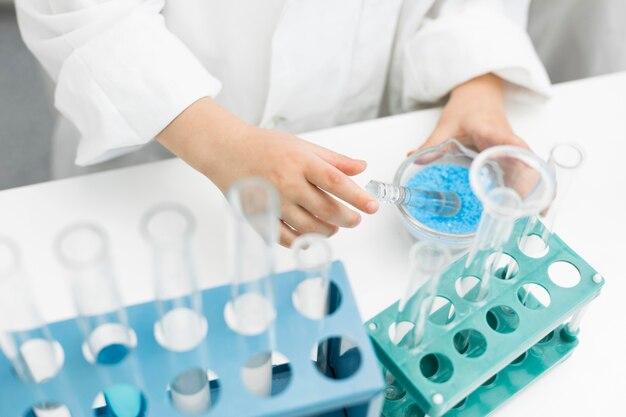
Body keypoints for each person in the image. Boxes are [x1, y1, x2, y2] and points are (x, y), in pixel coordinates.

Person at [15, 0, 550, 246]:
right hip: (165, 151)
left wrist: (477, 82)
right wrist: (220, 144)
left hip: (367, 144)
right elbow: (81, 15)